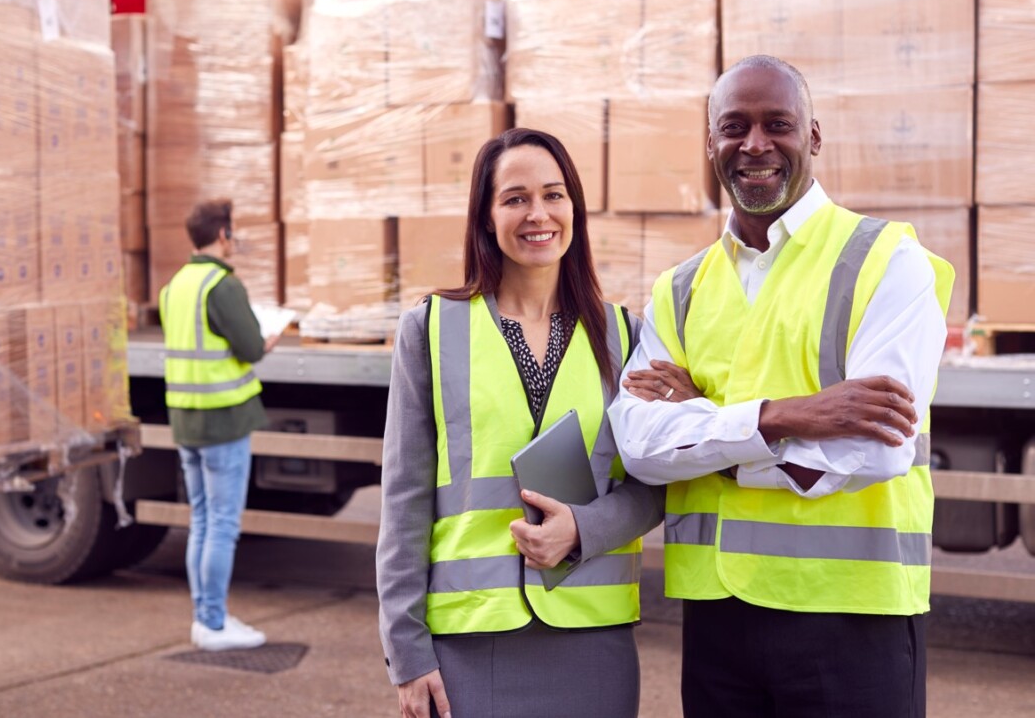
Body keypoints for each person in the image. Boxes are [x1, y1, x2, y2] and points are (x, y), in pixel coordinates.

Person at [608, 55, 954, 717]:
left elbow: (877, 448)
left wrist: (713, 445)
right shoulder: (679, 289)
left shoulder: (888, 261)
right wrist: (781, 416)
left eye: (779, 124)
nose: (755, 144)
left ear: (814, 137)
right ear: (709, 143)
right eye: (733, 127)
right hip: (718, 624)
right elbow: (641, 444)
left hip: (852, 618)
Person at [376, 128, 665, 718]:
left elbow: (653, 485)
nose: (538, 214)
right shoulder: (430, 329)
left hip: (593, 636)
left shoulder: (625, 335)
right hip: (472, 639)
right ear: (486, 217)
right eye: (515, 199)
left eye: (554, 195)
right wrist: (407, 653)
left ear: (574, 209)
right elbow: (403, 499)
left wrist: (583, 529)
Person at [159, 198, 278, 652]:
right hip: (223, 420)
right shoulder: (222, 285)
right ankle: (212, 623)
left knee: (203, 521)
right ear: (223, 235)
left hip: (186, 420)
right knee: (222, 523)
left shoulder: (175, 286)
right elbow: (248, 347)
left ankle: (206, 616)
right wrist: (266, 341)